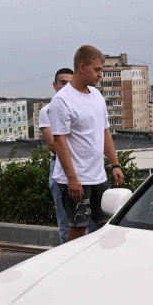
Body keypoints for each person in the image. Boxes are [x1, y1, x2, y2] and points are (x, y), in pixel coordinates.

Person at [46, 45, 126, 242]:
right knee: (78, 230)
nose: (100, 75)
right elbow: (59, 141)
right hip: (76, 180)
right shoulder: (62, 100)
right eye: (97, 70)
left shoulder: (97, 95)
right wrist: (72, 178)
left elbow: (104, 132)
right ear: (82, 67)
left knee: (105, 226)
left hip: (98, 176)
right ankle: (73, 269)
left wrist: (115, 164)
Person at [39, 67, 94, 243]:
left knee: (92, 220)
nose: (66, 86)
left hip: (86, 168)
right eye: (62, 82)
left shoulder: (83, 107)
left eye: (70, 83)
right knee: (67, 223)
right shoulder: (47, 110)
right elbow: (53, 145)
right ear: (54, 85)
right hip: (61, 167)